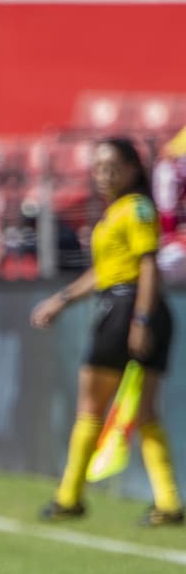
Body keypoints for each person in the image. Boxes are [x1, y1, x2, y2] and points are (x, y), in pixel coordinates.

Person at [31, 137, 182, 526]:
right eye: (98, 167)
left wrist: (141, 320)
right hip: (133, 307)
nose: (103, 174)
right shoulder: (116, 212)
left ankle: (69, 496)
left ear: (133, 168)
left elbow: (147, 266)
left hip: (127, 309)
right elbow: (104, 271)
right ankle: (168, 502)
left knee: (91, 407)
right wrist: (62, 300)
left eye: (112, 166)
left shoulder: (136, 209)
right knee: (144, 412)